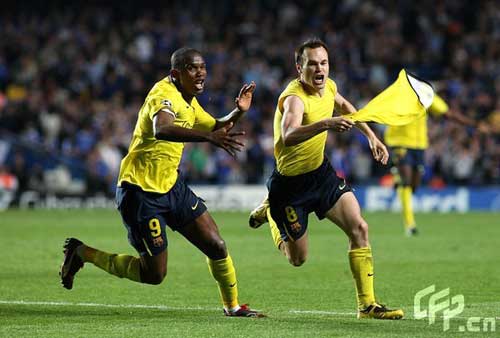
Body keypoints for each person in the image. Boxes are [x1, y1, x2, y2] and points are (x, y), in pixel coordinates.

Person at [60, 47, 264, 318]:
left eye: (203, 67)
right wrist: (207, 138)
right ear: (176, 74)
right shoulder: (163, 95)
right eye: (193, 68)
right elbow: (162, 129)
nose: (201, 72)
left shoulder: (189, 100)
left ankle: (233, 306)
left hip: (171, 186)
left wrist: (238, 112)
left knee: (217, 245)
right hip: (141, 193)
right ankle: (82, 253)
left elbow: (216, 128)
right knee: (154, 274)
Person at [249, 38, 403, 319]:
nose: (320, 69)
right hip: (290, 187)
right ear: (299, 68)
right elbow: (289, 134)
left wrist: (372, 137)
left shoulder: (329, 86)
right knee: (297, 259)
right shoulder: (294, 97)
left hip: (321, 175)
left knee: (359, 227)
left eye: (324, 63)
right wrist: (327, 124)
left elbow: (346, 107)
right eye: (312, 64)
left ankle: (367, 306)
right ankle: (271, 212)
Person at [385, 92, 490, 236]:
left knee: (414, 185)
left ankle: (400, 182)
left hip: (419, 145)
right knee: (406, 181)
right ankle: (410, 224)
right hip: (399, 143)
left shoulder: (425, 94)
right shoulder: (394, 95)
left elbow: (448, 114)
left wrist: (474, 124)